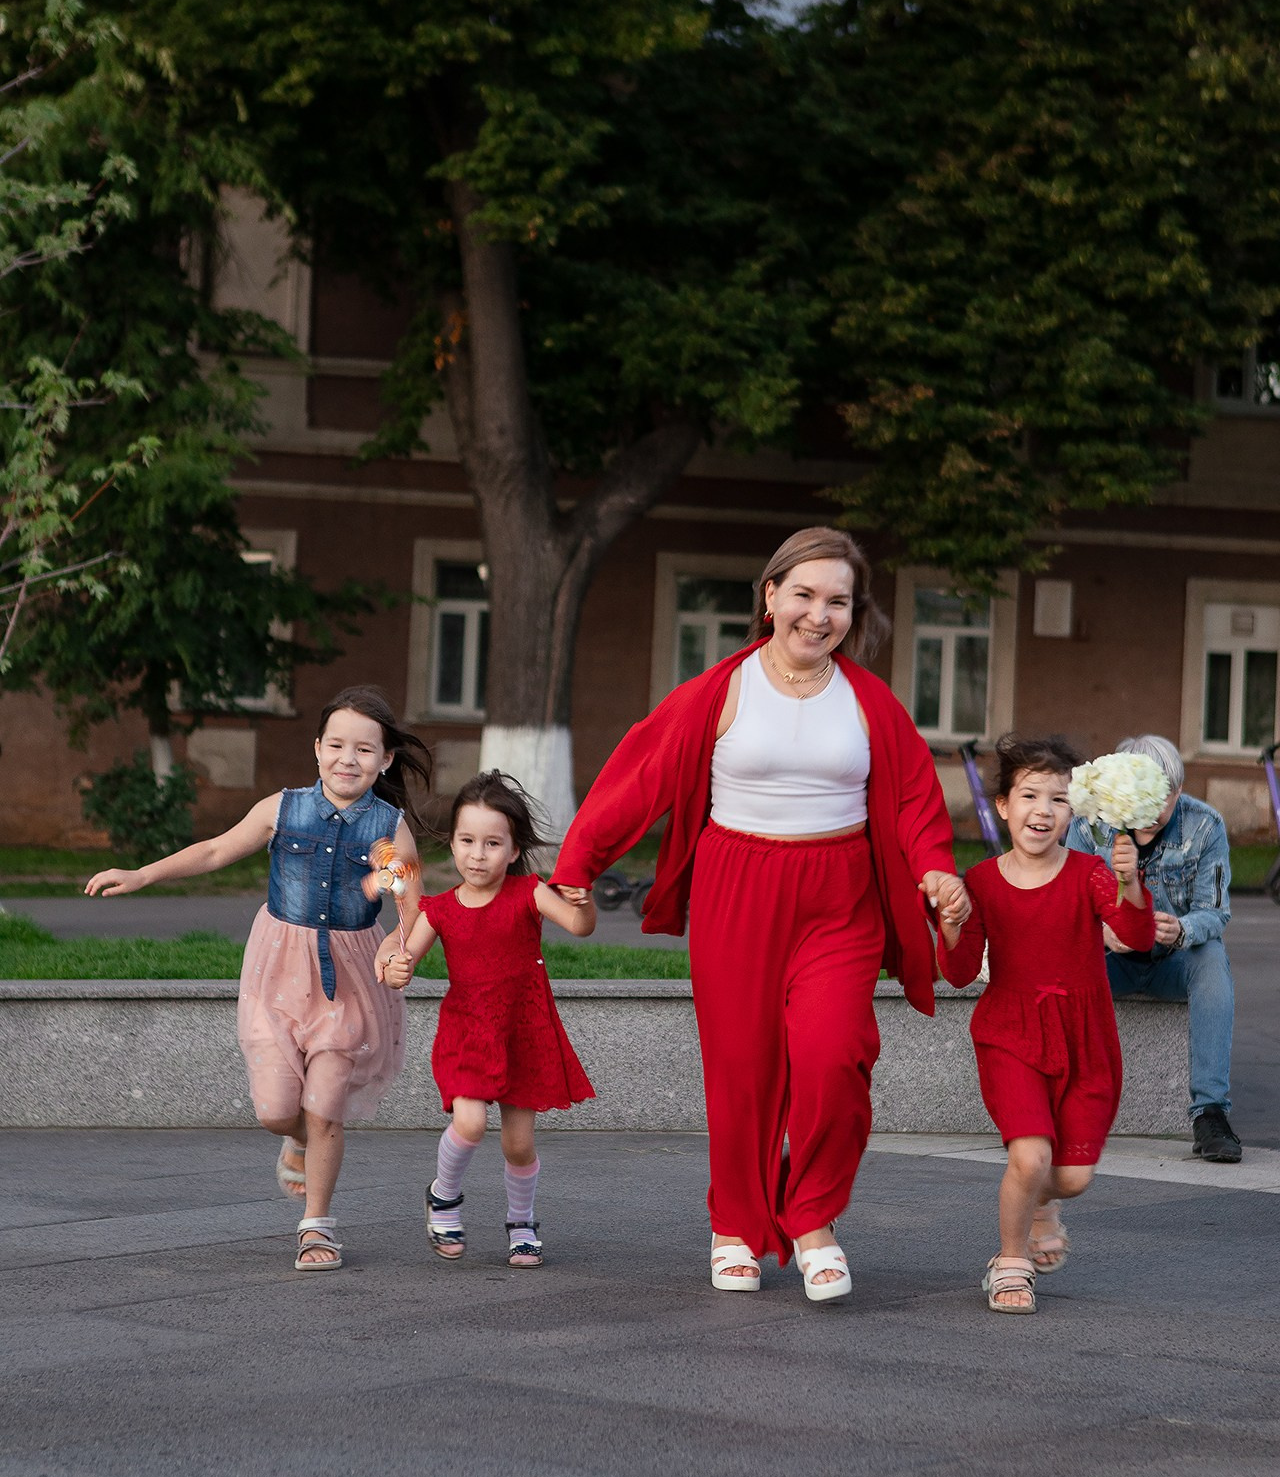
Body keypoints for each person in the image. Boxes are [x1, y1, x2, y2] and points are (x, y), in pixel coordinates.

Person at [552, 527, 970, 1302]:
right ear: (771, 596)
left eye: (838, 600)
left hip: (840, 896)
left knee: (834, 1054)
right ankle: (737, 1224)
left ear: (855, 611)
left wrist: (936, 868)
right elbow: (639, 772)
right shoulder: (722, 689)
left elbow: (913, 798)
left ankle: (811, 1218)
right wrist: (580, 862)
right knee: (741, 1069)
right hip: (737, 886)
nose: (820, 614)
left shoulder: (869, 702)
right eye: (805, 594)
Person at [85, 686, 431, 1272]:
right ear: (317, 748)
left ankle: (315, 1226)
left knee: (325, 1106)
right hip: (278, 967)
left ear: (386, 760)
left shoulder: (389, 830)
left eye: (365, 750)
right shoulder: (282, 809)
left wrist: (402, 953)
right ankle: (295, 1139)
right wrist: (142, 874)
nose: (349, 759)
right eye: (338, 745)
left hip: (349, 977)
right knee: (277, 1110)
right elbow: (217, 851)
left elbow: (409, 908)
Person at [937, 733, 1155, 1314]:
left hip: (1085, 1037)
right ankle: (1010, 1265)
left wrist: (1131, 884)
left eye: (1058, 799)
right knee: (1030, 1157)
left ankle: (1040, 1203)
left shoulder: (1091, 874)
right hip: (1010, 1031)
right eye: (1029, 795)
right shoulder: (980, 882)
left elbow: (1134, 938)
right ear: (1003, 805)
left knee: (1073, 1178)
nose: (1042, 810)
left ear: (1073, 812)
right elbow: (959, 974)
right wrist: (953, 925)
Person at [377, 770, 596, 1268]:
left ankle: (522, 1222)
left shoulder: (530, 893)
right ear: (452, 844)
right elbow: (401, 968)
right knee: (470, 1123)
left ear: (514, 850)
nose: (478, 854)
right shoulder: (439, 910)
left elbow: (580, 928)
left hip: (525, 1029)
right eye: (467, 840)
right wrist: (396, 967)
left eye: (493, 843)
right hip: (468, 1030)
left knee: (519, 1144)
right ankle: (444, 1195)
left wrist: (586, 902)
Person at [1066, 734, 1240, 1163]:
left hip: (1171, 962)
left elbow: (1214, 911)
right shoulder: (1090, 824)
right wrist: (1101, 931)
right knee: (1066, 959)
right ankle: (1061, 1102)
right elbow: (1067, 903)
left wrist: (1180, 929)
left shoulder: (1205, 824)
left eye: (1161, 798)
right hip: (1110, 963)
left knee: (1211, 955)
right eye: (1138, 798)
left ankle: (1210, 1113)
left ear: (1178, 791)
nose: (1149, 811)